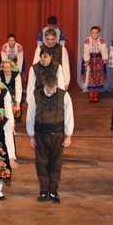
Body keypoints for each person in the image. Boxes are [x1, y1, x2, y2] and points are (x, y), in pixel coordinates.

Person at [26, 74, 73, 204]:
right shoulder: (36, 95)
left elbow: (69, 115)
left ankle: (53, 190)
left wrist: (68, 136)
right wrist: (31, 136)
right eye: (48, 89)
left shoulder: (64, 95)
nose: (51, 92)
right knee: (41, 164)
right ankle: (43, 190)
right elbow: (30, 116)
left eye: (53, 89)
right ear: (43, 84)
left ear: (57, 85)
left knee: (56, 164)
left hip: (57, 134)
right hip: (40, 135)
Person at [82, 25, 109, 102]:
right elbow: (86, 51)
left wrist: (104, 58)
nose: (95, 34)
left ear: (98, 33)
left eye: (96, 33)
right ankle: (91, 95)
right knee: (90, 77)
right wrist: (87, 60)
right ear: (90, 33)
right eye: (93, 33)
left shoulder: (101, 41)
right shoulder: (87, 41)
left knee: (98, 77)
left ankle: (96, 94)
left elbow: (104, 50)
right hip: (90, 61)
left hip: (98, 61)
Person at [0, 59, 22, 124]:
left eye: (8, 67)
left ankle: (14, 120)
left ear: (12, 67)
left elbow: (18, 89)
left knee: (14, 110)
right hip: (3, 93)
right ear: (2, 67)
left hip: (13, 94)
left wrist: (17, 104)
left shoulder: (16, 74)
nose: (6, 69)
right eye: (4, 67)